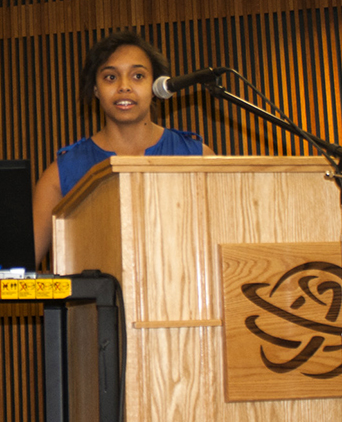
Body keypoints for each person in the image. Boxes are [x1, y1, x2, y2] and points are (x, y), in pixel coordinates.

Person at [32, 31, 213, 263]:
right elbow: (21, 269)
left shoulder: (197, 156)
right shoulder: (61, 173)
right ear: (95, 89)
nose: (124, 87)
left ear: (157, 86)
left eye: (138, 76)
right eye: (110, 77)